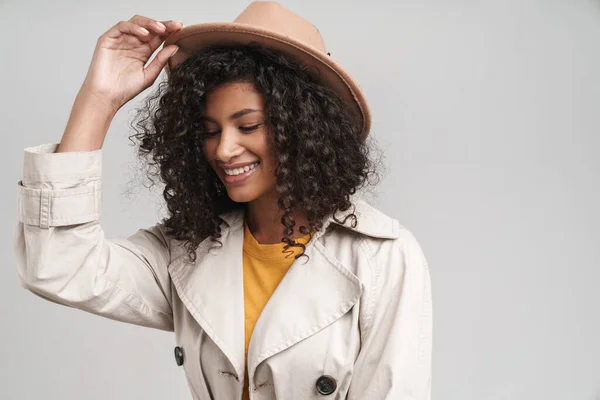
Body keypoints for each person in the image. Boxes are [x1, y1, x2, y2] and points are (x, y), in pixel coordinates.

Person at [13, 2, 432, 399]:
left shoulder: (381, 258)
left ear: (305, 129)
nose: (224, 150)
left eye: (247, 125)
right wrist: (98, 99)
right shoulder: (191, 247)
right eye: (211, 130)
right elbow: (57, 266)